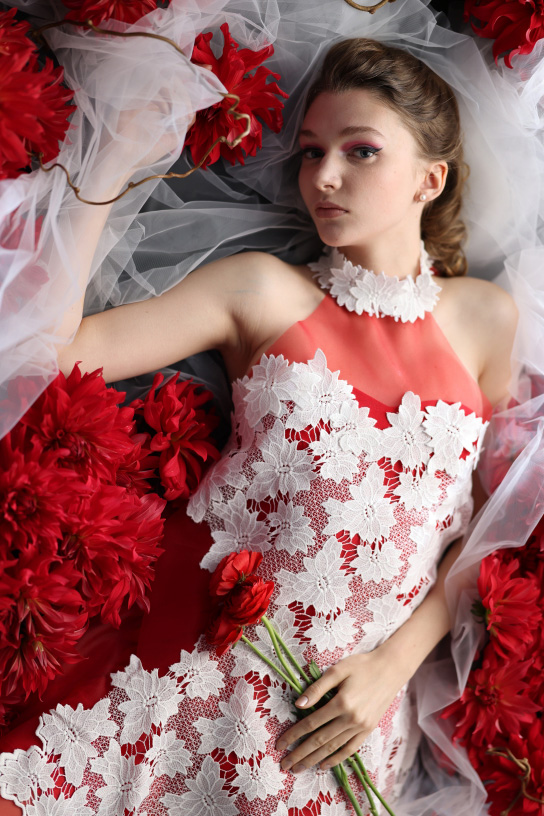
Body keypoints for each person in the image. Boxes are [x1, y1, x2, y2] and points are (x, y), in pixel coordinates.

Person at [0, 29, 522, 816]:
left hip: (341, 725)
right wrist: (110, 164)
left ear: (431, 178)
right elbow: (61, 347)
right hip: (191, 670)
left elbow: (484, 528)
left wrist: (392, 665)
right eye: (312, 153)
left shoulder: (487, 318)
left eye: (361, 151)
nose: (327, 176)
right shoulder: (262, 292)